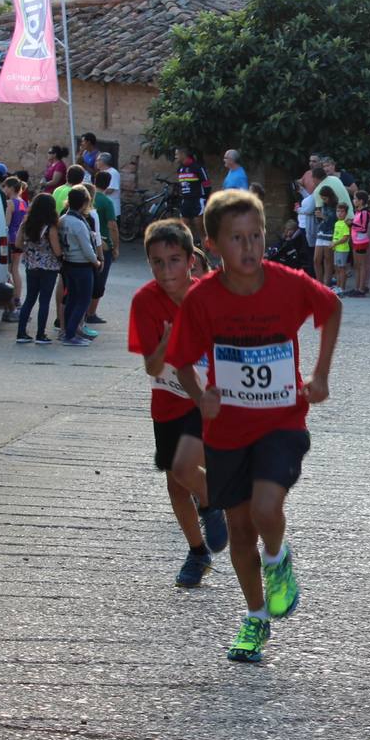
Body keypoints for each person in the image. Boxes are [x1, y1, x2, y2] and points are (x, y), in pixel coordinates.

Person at [166, 189, 343, 663]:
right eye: (237, 238)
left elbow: (331, 309)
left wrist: (320, 374)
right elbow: (180, 358)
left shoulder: (288, 284)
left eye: (256, 236)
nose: (249, 248)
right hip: (226, 429)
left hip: (283, 420)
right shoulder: (202, 298)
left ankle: (278, 557)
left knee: (266, 510)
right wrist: (200, 391)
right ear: (214, 244)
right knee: (239, 530)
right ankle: (255, 619)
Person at [127, 219, 230, 587]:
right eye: (157, 262)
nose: (166, 270)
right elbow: (151, 367)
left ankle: (213, 502)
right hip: (167, 400)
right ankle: (198, 552)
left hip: (207, 400)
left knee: (186, 468)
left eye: (174, 260)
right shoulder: (144, 301)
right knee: (174, 485)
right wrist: (165, 344)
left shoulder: (211, 296)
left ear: (191, 260)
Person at [15, 194, 62, 345]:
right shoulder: (50, 226)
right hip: (48, 267)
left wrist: (30, 251)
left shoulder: (26, 222)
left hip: (31, 265)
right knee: (44, 301)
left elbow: (18, 243)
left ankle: (21, 333)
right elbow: (56, 250)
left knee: (29, 299)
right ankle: (40, 334)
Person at [57, 186, 101, 347]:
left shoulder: (63, 219)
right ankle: (70, 334)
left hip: (68, 262)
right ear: (84, 203)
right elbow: (87, 248)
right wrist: (96, 261)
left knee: (72, 299)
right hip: (81, 264)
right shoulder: (78, 223)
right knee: (83, 300)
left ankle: (69, 332)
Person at [86, 170, 119, 326]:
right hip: (102, 244)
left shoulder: (87, 198)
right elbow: (112, 225)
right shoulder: (107, 202)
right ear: (108, 184)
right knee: (100, 281)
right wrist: (116, 247)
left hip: (86, 243)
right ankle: (91, 313)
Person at [1, 177, 27, 323]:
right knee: (15, 270)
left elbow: (6, 223)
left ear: (10, 188)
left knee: (8, 271)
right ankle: (17, 298)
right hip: (20, 239)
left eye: (5, 187)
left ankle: (9, 299)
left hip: (10, 239)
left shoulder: (9, 203)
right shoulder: (23, 202)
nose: (4, 190)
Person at [175, 147, 210, 244]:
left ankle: (204, 257)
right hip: (186, 201)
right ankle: (189, 253)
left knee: (201, 231)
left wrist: (204, 198)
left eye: (177, 154)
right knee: (184, 230)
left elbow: (207, 184)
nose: (175, 156)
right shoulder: (180, 169)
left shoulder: (197, 167)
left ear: (183, 154)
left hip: (197, 201)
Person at [345, 190, 370, 297]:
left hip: (362, 242)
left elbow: (363, 228)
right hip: (356, 241)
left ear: (361, 201)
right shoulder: (358, 212)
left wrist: (351, 224)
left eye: (355, 199)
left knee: (362, 266)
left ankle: (361, 289)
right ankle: (357, 287)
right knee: (356, 265)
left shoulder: (365, 212)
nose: (353, 200)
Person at [313, 186, 338, 286]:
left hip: (330, 234)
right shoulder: (323, 205)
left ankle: (326, 284)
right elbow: (321, 220)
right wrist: (318, 216)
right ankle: (319, 283)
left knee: (328, 259)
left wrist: (323, 216)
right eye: (322, 198)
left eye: (325, 198)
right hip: (321, 233)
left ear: (330, 196)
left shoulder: (336, 206)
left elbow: (334, 222)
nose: (324, 200)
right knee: (316, 260)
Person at [331, 202, 352, 290]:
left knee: (342, 268)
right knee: (337, 269)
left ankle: (342, 288)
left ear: (346, 213)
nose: (339, 213)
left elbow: (345, 238)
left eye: (342, 211)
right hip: (337, 249)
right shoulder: (337, 223)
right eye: (338, 211)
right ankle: (338, 286)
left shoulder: (345, 224)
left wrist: (335, 243)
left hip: (342, 249)